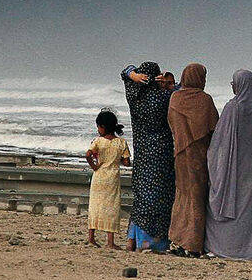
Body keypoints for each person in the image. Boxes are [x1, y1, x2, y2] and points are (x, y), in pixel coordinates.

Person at [205, 69, 252, 259]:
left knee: (231, 204)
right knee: (250, 208)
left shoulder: (234, 108)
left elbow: (220, 141)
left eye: (234, 81)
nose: (232, 85)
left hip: (234, 167)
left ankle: (227, 247)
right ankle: (250, 247)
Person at [121, 62, 176, 252]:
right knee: (159, 196)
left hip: (142, 152)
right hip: (161, 152)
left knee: (142, 195)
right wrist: (169, 85)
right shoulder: (163, 98)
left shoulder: (134, 97)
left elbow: (124, 73)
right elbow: (181, 91)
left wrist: (132, 74)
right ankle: (152, 242)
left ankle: (132, 240)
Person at [166, 62, 219, 257]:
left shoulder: (175, 98)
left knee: (182, 197)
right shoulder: (205, 100)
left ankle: (180, 240)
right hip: (199, 156)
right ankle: (194, 243)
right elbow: (215, 127)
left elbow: (171, 123)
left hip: (180, 153)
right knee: (197, 198)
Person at [86, 109, 131, 250]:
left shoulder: (98, 141)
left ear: (103, 127)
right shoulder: (121, 143)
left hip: (99, 177)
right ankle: (110, 242)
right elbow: (126, 163)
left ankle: (91, 238)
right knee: (112, 208)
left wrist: (94, 166)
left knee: (94, 206)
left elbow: (88, 154)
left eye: (98, 127)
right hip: (112, 178)